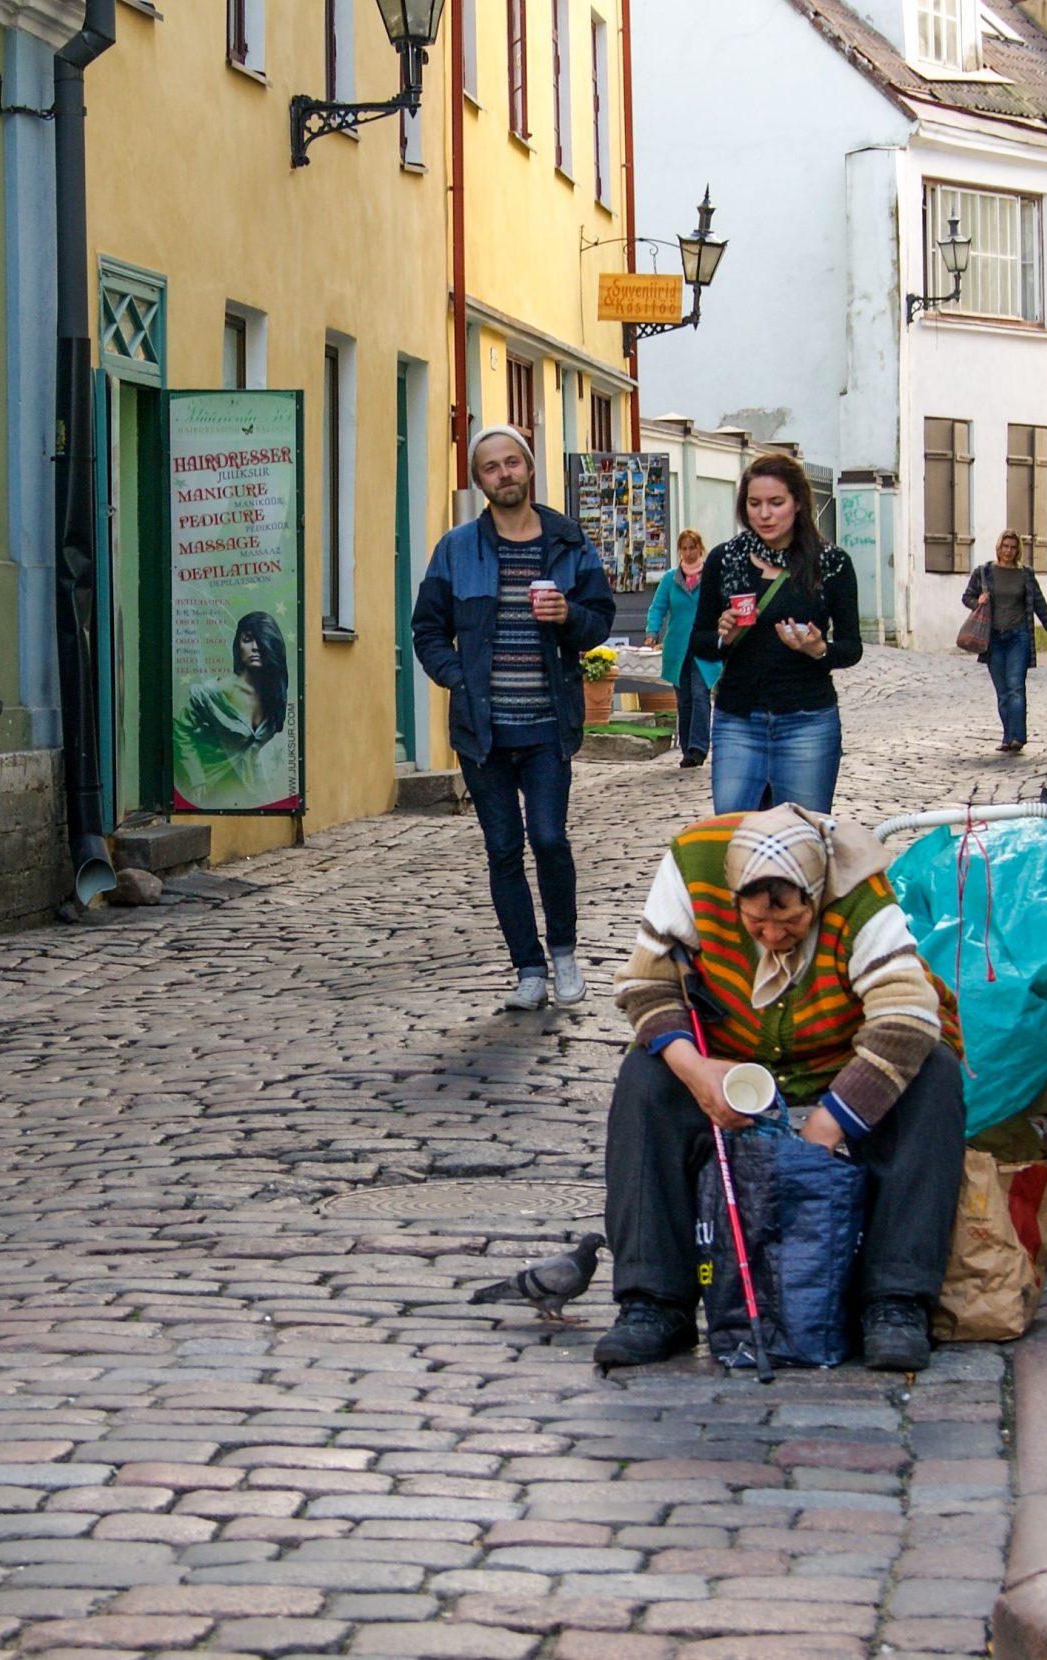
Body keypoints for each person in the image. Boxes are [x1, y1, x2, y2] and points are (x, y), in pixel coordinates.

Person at [594, 805, 967, 1373]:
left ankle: (896, 1302)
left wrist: (829, 1123)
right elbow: (647, 982)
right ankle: (654, 1301)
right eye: (756, 921)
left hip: (840, 1049)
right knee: (645, 1079)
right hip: (726, 1052)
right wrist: (696, 1072)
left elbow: (906, 1018)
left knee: (933, 1074)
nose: (771, 934)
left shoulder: (859, 893)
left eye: (789, 920)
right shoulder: (692, 866)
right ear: (733, 895)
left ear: (815, 896)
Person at [412, 425, 619, 1012]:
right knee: (502, 848)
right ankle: (527, 969)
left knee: (549, 838)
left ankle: (563, 951)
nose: (503, 475)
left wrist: (568, 615)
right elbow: (427, 629)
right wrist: (459, 678)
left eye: (512, 463)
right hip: (484, 733)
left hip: (547, 725)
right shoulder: (456, 548)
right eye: (490, 468)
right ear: (479, 481)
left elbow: (599, 620)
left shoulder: (568, 541)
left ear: (529, 469)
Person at [691, 453, 864, 815]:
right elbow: (700, 643)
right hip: (738, 720)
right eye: (754, 504)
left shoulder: (831, 565)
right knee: (734, 840)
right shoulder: (725, 560)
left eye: (776, 502)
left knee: (802, 842)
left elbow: (851, 648)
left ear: (798, 503)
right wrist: (725, 636)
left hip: (807, 722)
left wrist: (818, 649)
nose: (764, 514)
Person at [962, 531, 1047, 754]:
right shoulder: (985, 572)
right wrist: (977, 602)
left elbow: (1041, 607)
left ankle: (1018, 737)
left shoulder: (1025, 575)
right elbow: (967, 597)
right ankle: (1007, 736)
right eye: (1005, 546)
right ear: (998, 548)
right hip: (994, 639)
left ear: (1018, 550)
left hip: (1018, 636)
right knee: (1002, 691)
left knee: (1016, 687)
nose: (1008, 551)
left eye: (1012, 547)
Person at [174, 611, 290, 806]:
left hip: (248, 788)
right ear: (238, 645)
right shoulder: (213, 692)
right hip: (209, 787)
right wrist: (196, 777)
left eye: (262, 641)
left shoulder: (274, 696)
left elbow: (251, 751)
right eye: (247, 640)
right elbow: (180, 729)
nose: (255, 648)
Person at [643, 530, 722, 769]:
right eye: (684, 548)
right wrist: (651, 632)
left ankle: (698, 748)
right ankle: (687, 748)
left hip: (703, 644)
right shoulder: (670, 579)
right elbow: (658, 607)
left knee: (700, 695)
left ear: (700, 548)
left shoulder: (711, 576)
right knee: (684, 700)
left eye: (692, 548)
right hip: (678, 647)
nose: (688, 553)